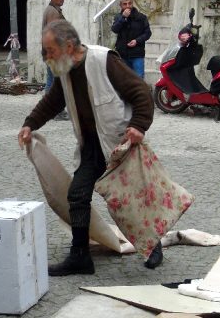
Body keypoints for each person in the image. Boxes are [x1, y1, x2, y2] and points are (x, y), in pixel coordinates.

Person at [18, 20, 162, 276]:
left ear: (69, 46)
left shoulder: (103, 60)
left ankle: (152, 246)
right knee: (77, 194)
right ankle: (80, 256)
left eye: (50, 51)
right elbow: (53, 101)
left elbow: (141, 91)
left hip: (118, 144)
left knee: (130, 199)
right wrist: (30, 124)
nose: (47, 57)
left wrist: (139, 125)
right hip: (91, 146)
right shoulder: (65, 70)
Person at [42, 0, 69, 120]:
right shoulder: (52, 12)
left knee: (52, 81)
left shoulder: (53, 10)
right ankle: (54, 111)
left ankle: (50, 110)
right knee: (55, 83)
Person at [111, 0, 152, 80]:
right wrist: (123, 18)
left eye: (130, 3)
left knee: (139, 79)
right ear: (121, 5)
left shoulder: (141, 17)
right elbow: (114, 29)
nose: (128, 6)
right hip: (122, 54)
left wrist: (137, 41)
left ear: (132, 3)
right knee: (124, 79)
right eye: (125, 4)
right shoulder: (118, 17)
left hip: (137, 54)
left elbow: (148, 33)